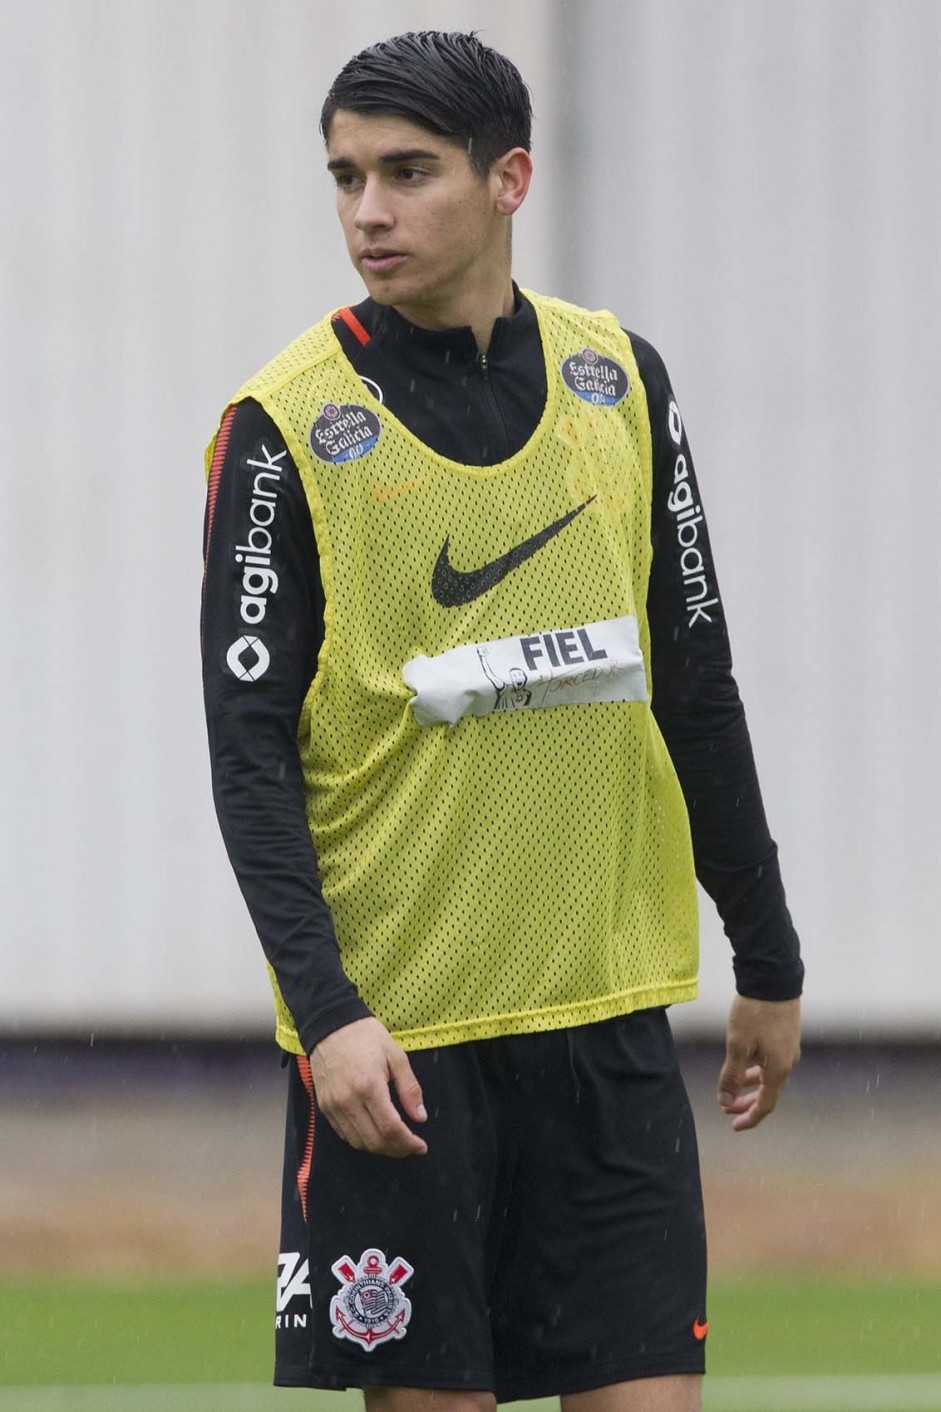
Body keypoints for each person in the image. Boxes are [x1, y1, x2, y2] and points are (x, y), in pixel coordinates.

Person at [201, 30, 803, 1412]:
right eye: (345, 176)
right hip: (401, 1054)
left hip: (603, 1025)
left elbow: (694, 684)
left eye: (407, 173)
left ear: (508, 178)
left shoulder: (620, 385)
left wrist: (763, 954)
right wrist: (330, 1014)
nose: (368, 211)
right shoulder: (287, 426)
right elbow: (247, 755)